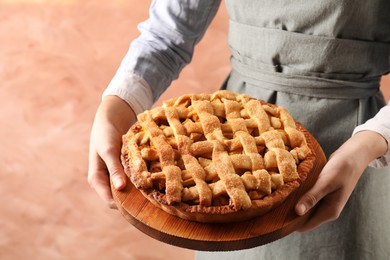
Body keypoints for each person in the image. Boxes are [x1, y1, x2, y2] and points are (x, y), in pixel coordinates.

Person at [88, 1, 390, 259]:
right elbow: (167, 36)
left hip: (356, 148)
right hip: (225, 146)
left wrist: (370, 142)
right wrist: (117, 106)